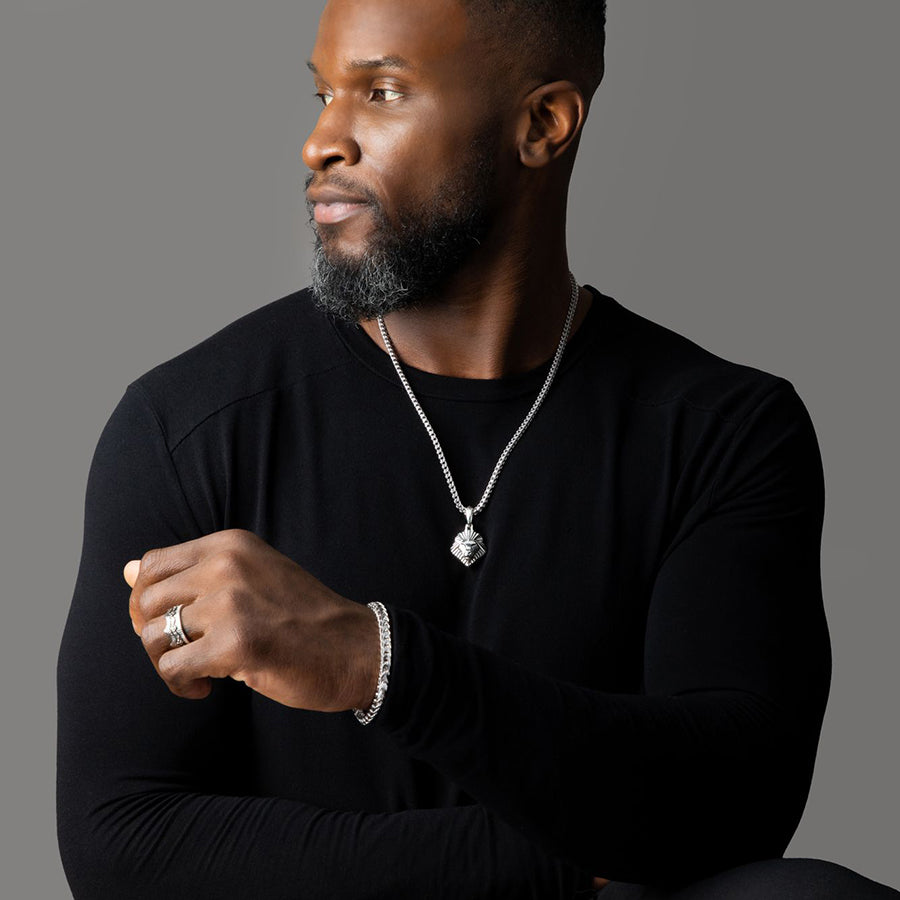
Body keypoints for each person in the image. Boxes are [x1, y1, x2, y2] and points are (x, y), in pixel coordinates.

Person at [56, 1, 899, 897]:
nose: (320, 142)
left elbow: (737, 804)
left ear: (543, 124)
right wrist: (587, 869)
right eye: (321, 92)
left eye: (380, 91)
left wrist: (374, 662)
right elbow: (125, 844)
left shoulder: (723, 430)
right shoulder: (187, 425)